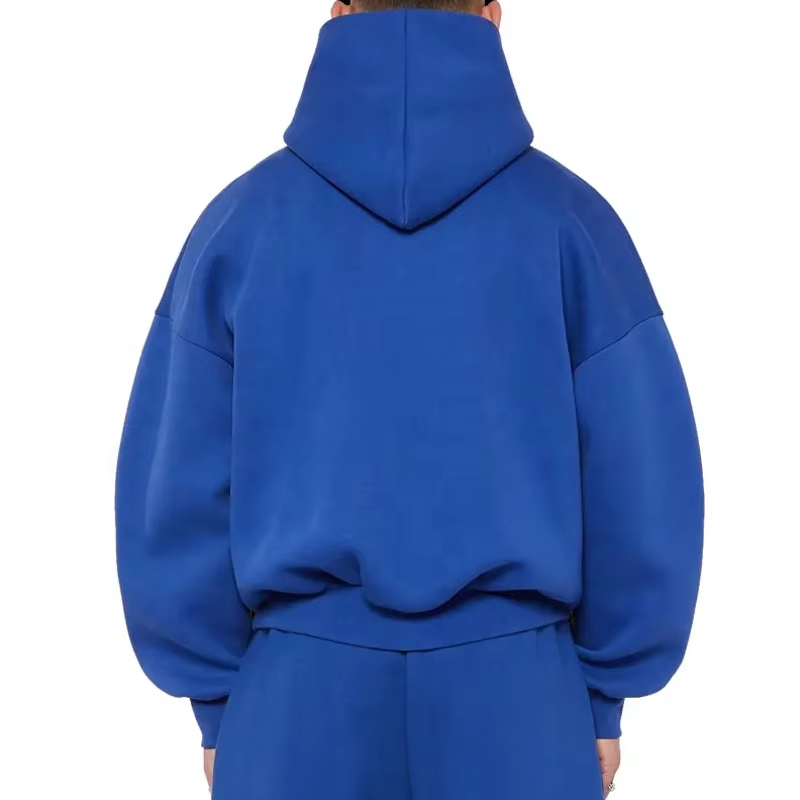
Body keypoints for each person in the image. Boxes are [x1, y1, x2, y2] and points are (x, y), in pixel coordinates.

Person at [115, 1, 704, 798]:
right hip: (522, 704)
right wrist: (604, 692)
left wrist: (217, 701)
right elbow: (642, 479)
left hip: (293, 705)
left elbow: (174, 486)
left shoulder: (240, 226)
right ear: (493, 14)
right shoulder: (573, 224)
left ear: (339, 10)